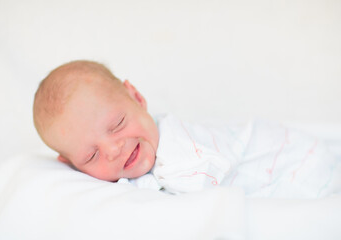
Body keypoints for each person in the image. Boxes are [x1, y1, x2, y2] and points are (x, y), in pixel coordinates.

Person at [34, 60, 341, 197]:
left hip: (299, 161)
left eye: (117, 124)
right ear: (70, 163)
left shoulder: (177, 142)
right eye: (91, 156)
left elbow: (199, 192)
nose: (114, 149)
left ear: (137, 98)